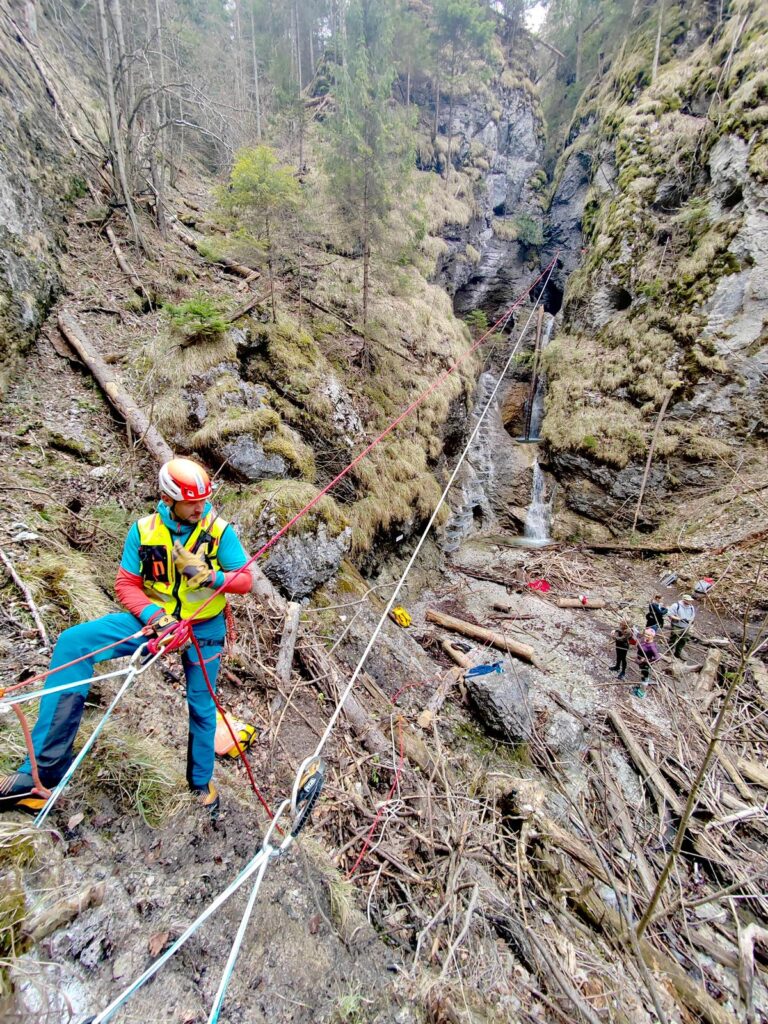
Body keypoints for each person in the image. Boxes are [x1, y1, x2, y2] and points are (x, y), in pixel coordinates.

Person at [0, 458, 255, 818]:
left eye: (204, 499)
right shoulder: (144, 530)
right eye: (192, 501)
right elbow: (126, 584)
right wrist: (155, 617)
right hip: (154, 621)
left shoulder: (218, 530)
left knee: (201, 704)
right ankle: (40, 773)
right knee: (75, 643)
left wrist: (209, 577)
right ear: (169, 499)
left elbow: (245, 581)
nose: (201, 507)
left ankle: (200, 783)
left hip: (204, 627)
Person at [667, 594, 696, 659]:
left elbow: (693, 616)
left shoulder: (691, 607)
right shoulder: (676, 605)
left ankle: (677, 653)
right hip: (677, 625)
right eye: (689, 600)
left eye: (690, 600)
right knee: (673, 639)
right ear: (684, 600)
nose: (690, 602)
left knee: (684, 640)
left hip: (686, 626)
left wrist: (691, 621)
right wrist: (678, 618)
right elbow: (669, 614)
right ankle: (669, 651)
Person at [634, 627, 660, 698]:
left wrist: (646, 661)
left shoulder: (652, 646)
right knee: (642, 675)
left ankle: (641, 693)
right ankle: (641, 687)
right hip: (640, 661)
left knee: (644, 677)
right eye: (645, 634)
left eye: (648, 635)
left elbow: (657, 658)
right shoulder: (644, 640)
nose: (646, 636)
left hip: (645, 664)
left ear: (652, 636)